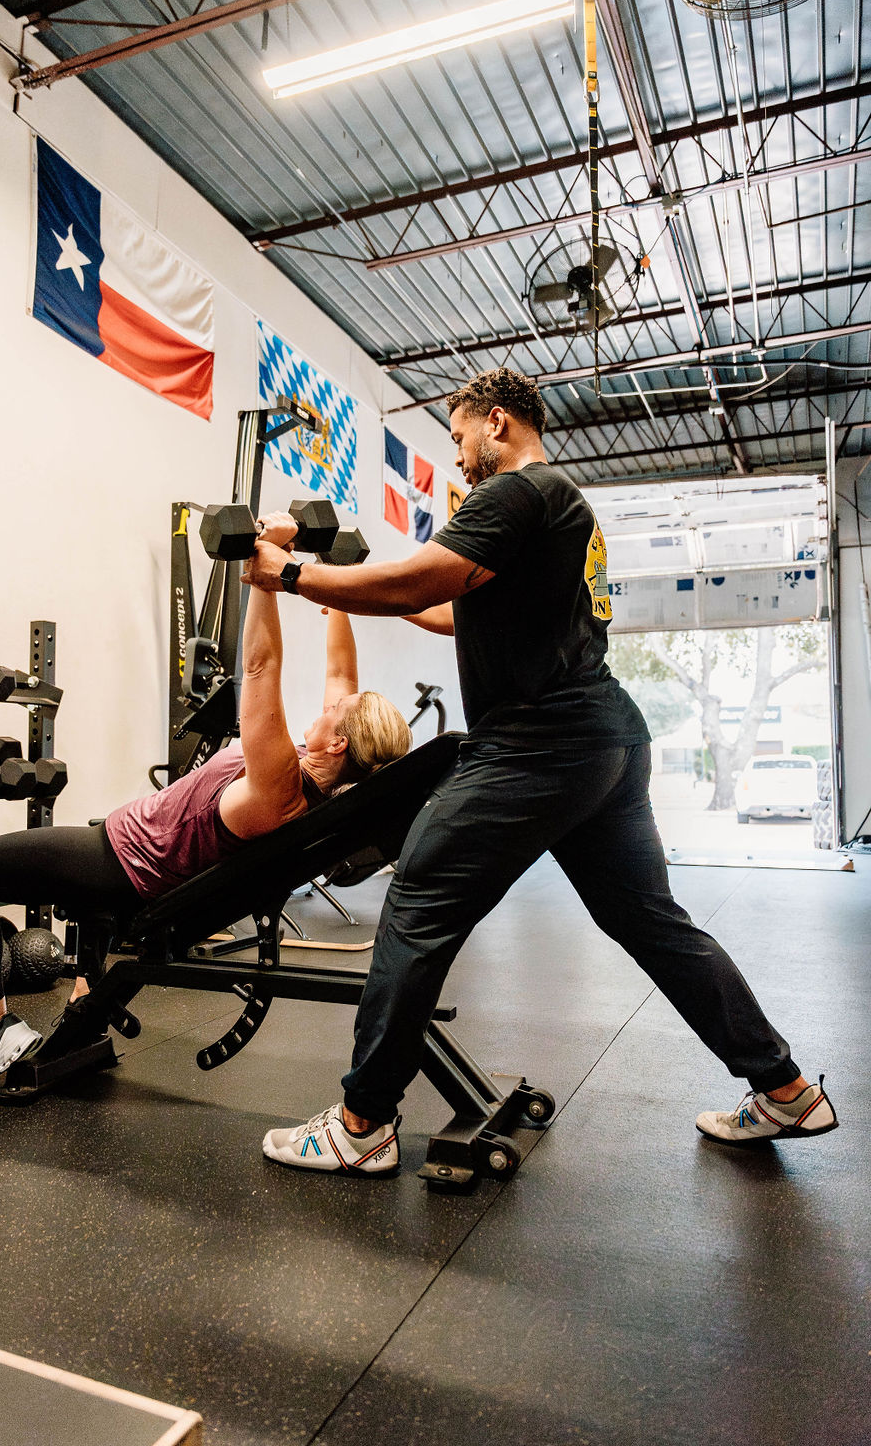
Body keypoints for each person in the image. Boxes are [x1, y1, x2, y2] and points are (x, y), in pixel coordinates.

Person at [242, 369, 838, 1177]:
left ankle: (362, 1124)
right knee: (649, 921)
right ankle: (785, 1089)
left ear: (496, 422)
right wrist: (339, 585)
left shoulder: (515, 492)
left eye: (459, 439)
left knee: (416, 900)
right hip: (603, 740)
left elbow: (418, 581)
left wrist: (285, 573)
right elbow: (444, 606)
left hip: (537, 744)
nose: (458, 458)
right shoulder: (561, 506)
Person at [0, 511, 411, 1098]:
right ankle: (85, 1008)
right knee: (51, 863)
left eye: (335, 710)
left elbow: (261, 666)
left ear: (338, 743)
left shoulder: (279, 785)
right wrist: (326, 582)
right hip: (130, 851)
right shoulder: (321, 775)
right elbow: (341, 673)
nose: (328, 703)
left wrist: (267, 571)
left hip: (124, 864)